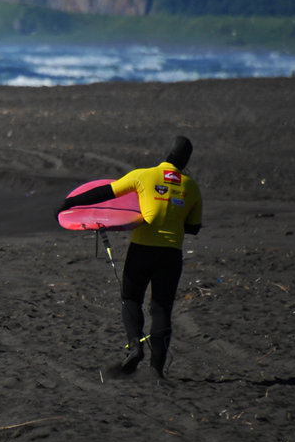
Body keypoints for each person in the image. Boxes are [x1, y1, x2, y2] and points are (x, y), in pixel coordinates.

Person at [58, 136, 203, 381]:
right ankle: (157, 370)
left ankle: (135, 346)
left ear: (166, 153)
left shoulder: (143, 176)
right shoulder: (191, 187)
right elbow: (194, 227)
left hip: (142, 250)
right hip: (171, 254)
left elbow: (105, 192)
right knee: (161, 308)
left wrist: (69, 203)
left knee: (130, 298)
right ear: (186, 160)